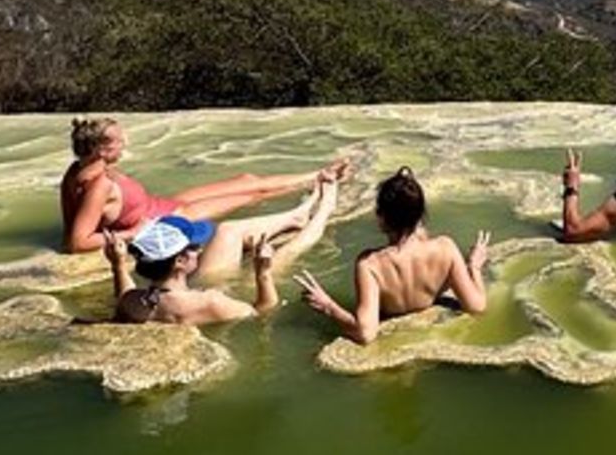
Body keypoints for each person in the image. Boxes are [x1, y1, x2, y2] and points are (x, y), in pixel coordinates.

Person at [61, 116, 349, 253]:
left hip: (166, 203)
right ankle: (322, 180)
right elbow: (76, 241)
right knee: (253, 195)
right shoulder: (99, 185)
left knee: (246, 181)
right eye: (119, 140)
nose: (126, 143)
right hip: (172, 216)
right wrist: (132, 234)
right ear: (100, 149)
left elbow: (72, 219)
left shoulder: (76, 171)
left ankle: (318, 173)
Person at [295, 167, 490, 345]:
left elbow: (366, 334)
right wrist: (474, 267)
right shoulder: (445, 248)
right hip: (431, 339)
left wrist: (328, 306)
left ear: (381, 218)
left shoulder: (370, 264)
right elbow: (477, 307)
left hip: (396, 342)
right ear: (420, 216)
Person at [104, 177, 339, 325]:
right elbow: (262, 311)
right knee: (288, 252)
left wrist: (118, 265)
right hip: (237, 289)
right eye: (194, 247)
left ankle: (298, 215)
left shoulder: (133, 303)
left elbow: (125, 294)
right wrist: (263, 272)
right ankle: (324, 210)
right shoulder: (210, 302)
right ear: (180, 261)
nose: (200, 249)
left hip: (191, 287)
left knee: (227, 230)